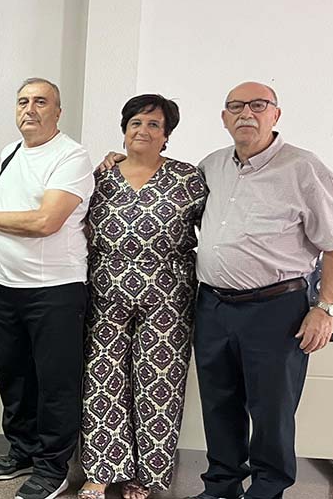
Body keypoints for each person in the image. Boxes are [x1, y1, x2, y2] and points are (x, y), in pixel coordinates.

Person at [187, 82, 333, 499]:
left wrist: (325, 309)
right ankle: (221, 485)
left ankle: (268, 488)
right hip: (214, 305)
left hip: (277, 308)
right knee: (219, 403)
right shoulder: (210, 166)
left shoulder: (304, 168)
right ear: (223, 118)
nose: (246, 114)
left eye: (258, 105)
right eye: (235, 106)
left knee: (271, 409)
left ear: (276, 115)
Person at [77, 95, 207, 499]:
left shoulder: (189, 179)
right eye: (135, 122)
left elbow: (217, 232)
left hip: (168, 296)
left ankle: (146, 476)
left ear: (166, 135)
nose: (143, 131)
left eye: (153, 124)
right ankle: (100, 470)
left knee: (159, 384)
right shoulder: (100, 177)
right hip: (106, 290)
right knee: (102, 379)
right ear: (124, 129)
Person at [0, 78, 94, 499]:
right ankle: (22, 449)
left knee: (55, 383)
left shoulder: (71, 156)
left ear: (58, 111)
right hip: (7, 288)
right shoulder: (9, 153)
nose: (30, 109)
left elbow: (47, 221)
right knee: (14, 377)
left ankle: (52, 467)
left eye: (41, 102)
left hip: (54, 291)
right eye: (23, 101)